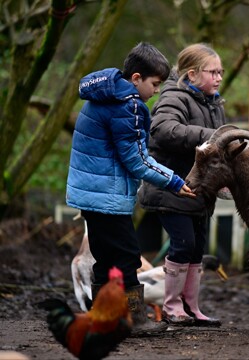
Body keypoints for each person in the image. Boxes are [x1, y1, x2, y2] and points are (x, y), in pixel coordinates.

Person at [66, 42, 195, 334]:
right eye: (155, 84)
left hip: (90, 194)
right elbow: (137, 160)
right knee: (127, 255)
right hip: (108, 196)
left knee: (104, 256)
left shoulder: (102, 95)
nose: (157, 91)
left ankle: (103, 316)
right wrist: (174, 181)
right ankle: (133, 319)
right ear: (136, 79)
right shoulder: (129, 106)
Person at [138, 43, 226, 327]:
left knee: (197, 248)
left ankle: (191, 307)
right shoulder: (173, 96)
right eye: (213, 72)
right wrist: (214, 136)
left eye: (220, 72)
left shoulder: (213, 104)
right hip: (171, 187)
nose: (219, 78)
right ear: (192, 74)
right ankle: (173, 306)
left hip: (198, 192)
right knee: (184, 243)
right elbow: (164, 130)